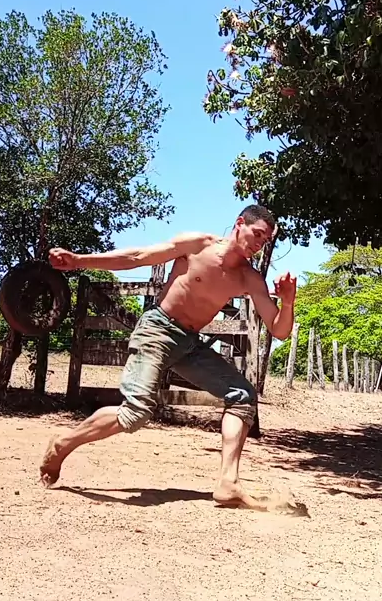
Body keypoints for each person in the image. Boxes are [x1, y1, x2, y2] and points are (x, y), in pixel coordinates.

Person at [40, 205, 297, 509]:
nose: (259, 244)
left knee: (242, 396)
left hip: (188, 343)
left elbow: (279, 330)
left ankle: (228, 482)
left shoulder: (249, 278)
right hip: (158, 329)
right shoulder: (197, 245)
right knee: (136, 413)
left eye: (265, 241)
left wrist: (287, 302)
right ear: (240, 223)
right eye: (257, 234)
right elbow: (138, 256)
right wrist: (79, 260)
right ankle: (62, 444)